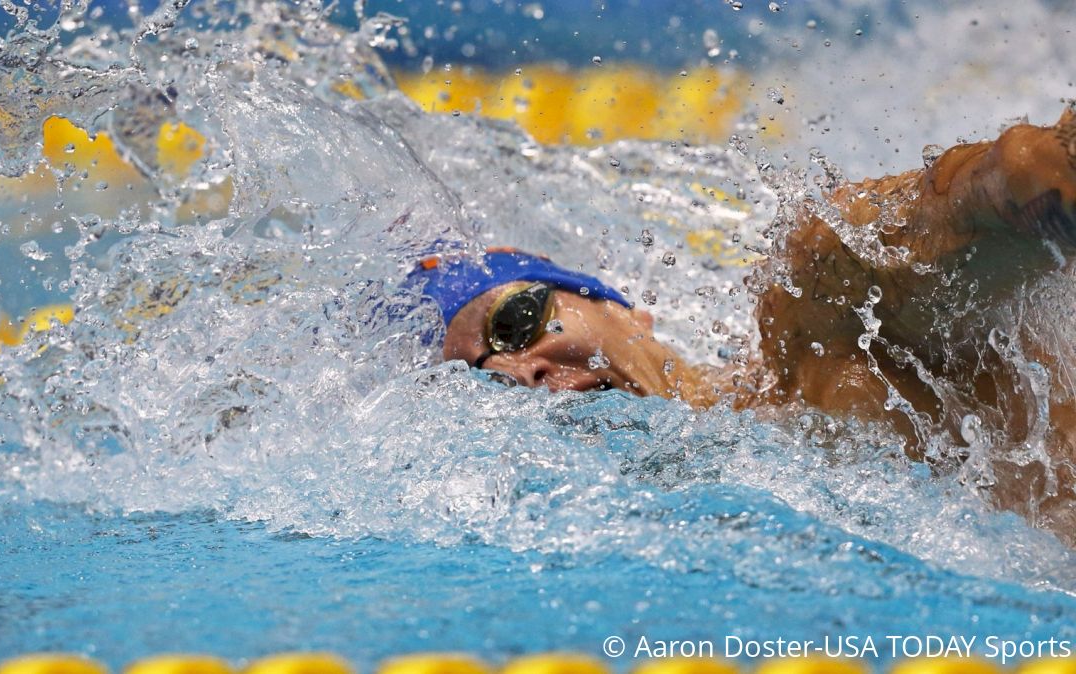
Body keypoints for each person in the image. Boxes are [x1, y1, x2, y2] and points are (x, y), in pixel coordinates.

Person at [406, 108, 1076, 543]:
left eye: (517, 322)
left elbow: (1016, 175)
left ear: (617, 304)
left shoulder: (823, 329)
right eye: (485, 384)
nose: (522, 373)